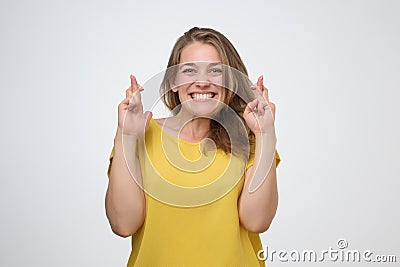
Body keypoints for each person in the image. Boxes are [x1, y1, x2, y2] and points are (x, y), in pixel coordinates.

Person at [105, 27, 281, 266]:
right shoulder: (137, 135)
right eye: (189, 70)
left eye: (215, 71)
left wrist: (266, 134)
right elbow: (123, 224)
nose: (202, 82)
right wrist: (125, 136)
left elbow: (257, 221)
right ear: (172, 83)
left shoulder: (251, 139)